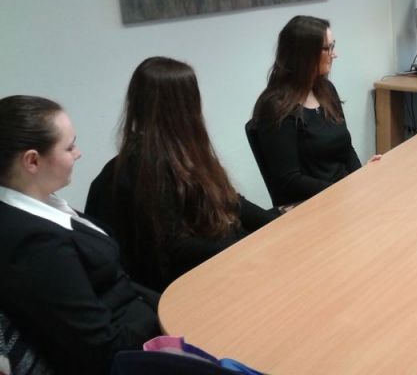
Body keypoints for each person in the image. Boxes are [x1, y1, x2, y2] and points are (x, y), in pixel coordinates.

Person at [85, 57, 279, 293]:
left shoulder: (184, 152)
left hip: (218, 260)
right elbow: (174, 248)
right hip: (185, 286)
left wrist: (277, 224)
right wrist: (243, 246)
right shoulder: (139, 172)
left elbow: (230, 201)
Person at [0, 95, 160, 374]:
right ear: (33, 161)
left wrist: (167, 304)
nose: (78, 153)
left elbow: (117, 282)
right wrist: (164, 318)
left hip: (143, 321)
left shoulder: (43, 204)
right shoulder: (33, 244)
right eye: (69, 146)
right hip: (132, 357)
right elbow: (101, 349)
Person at [251, 15, 379, 208]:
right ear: (304, 54)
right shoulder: (276, 107)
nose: (334, 55)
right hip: (310, 205)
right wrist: (344, 190)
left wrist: (361, 178)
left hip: (341, 195)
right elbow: (289, 181)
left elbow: (346, 150)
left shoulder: (326, 90)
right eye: (328, 48)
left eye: (333, 46)